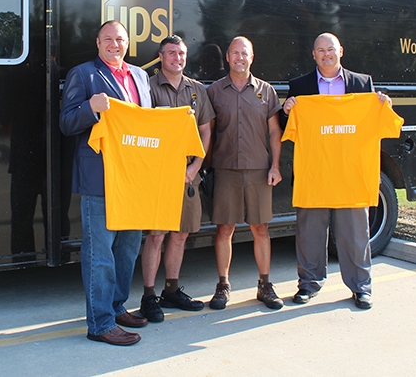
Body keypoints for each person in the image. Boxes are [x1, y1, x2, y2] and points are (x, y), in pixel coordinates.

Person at [62, 20, 156, 346]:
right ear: (98, 42)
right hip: (99, 179)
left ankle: (116, 307)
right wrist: (90, 108)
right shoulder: (83, 74)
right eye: (108, 39)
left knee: (128, 251)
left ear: (128, 43)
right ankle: (99, 324)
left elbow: (147, 124)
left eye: (120, 39)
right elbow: (66, 122)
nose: (115, 44)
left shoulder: (141, 76)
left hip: (133, 179)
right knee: (99, 254)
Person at [282, 33, 380, 310]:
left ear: (341, 51)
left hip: (350, 175)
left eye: (330, 49)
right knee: (309, 233)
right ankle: (309, 284)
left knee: (355, 235)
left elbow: (370, 120)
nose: (326, 54)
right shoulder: (299, 86)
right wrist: (287, 109)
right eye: (320, 50)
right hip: (314, 173)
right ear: (313, 54)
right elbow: (284, 125)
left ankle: (361, 288)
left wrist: (382, 103)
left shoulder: (363, 84)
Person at [137, 36, 214, 322]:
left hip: (187, 174)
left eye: (180, 53)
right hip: (158, 172)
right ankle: (148, 296)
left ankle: (171, 290)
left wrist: (195, 167)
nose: (177, 58)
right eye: (171, 53)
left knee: (180, 234)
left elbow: (206, 130)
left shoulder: (197, 89)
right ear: (160, 57)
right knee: (156, 235)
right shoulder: (148, 87)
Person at [205, 36, 285, 311]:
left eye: (245, 53)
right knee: (224, 229)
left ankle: (265, 284)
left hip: (259, 170)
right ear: (227, 57)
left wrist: (275, 166)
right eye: (235, 53)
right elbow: (208, 133)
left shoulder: (266, 91)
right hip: (225, 170)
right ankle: (223, 285)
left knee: (260, 228)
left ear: (252, 58)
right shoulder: (214, 92)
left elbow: (275, 131)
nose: (240, 57)